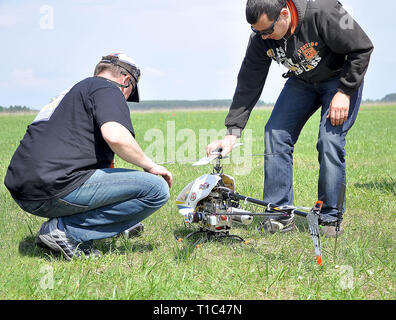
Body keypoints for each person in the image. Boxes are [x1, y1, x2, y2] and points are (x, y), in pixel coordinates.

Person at [206, 0, 373, 236]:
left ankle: (330, 217)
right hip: (302, 81)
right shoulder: (260, 38)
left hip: (339, 79)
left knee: (329, 141)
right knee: (275, 133)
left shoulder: (323, 12)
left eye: (266, 31)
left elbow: (361, 48)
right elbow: (248, 82)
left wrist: (345, 92)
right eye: (256, 31)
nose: (263, 37)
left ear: (284, 14)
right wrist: (232, 132)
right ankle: (279, 214)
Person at [4, 53, 173, 260]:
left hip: (25, 190)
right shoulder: (108, 89)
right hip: (55, 186)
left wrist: (121, 219)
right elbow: (115, 136)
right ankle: (64, 231)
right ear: (126, 81)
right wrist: (151, 165)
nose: (125, 99)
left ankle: (107, 228)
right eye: (130, 93)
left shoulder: (70, 94)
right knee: (156, 189)